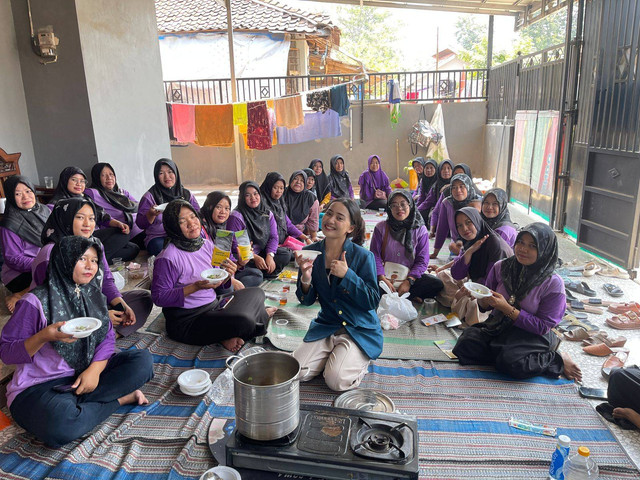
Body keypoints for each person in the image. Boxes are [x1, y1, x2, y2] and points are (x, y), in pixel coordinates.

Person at [0, 236, 154, 447]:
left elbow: (107, 339)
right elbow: (7, 353)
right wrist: (44, 336)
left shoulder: (94, 296)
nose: (90, 266)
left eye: (95, 260)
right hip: (40, 386)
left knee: (142, 361)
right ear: (64, 259)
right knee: (60, 425)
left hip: (85, 374)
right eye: (82, 258)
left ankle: (79, 405)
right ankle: (119, 399)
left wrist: (95, 371)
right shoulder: (35, 301)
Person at [452, 223, 582, 381]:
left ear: (544, 249)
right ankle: (505, 353)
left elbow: (542, 326)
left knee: (511, 362)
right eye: (520, 242)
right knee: (466, 343)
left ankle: (555, 358)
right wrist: (482, 299)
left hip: (532, 334)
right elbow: (485, 306)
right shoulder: (502, 267)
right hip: (499, 325)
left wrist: (506, 308)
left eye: (532, 245)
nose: (523, 249)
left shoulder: (553, 283)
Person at [151, 200, 274, 352]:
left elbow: (221, 284)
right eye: (182, 221)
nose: (192, 224)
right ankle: (256, 320)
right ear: (174, 226)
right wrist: (195, 287)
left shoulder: (205, 244)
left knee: (256, 293)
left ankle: (228, 332)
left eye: (193, 217)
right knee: (245, 321)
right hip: (187, 320)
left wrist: (228, 275)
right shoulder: (167, 257)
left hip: (213, 306)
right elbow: (159, 298)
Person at [293, 198, 382, 392]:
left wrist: (348, 275)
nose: (330, 220)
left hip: (358, 327)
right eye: (330, 213)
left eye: (339, 217)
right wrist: (306, 278)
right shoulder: (310, 253)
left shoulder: (363, 256)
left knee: (336, 381)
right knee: (297, 372)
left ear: (351, 228)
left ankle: (356, 358)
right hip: (328, 325)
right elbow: (305, 301)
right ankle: (336, 355)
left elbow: (372, 301)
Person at [33, 198, 152, 337]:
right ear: (65, 218)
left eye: (91, 218)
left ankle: (105, 333)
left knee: (143, 299)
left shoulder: (94, 244)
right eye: (80, 217)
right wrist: (100, 316)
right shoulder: (50, 254)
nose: (87, 224)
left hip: (94, 302)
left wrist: (121, 305)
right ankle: (101, 334)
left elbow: (106, 279)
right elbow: (54, 304)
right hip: (61, 315)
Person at [436, 207, 513, 325]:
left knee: (472, 304)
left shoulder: (495, 246)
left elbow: (493, 283)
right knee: (442, 276)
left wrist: (471, 291)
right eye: (459, 225)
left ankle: (463, 306)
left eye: (468, 223)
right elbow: (456, 274)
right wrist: (469, 252)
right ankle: (460, 303)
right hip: (473, 282)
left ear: (476, 220)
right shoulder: (470, 241)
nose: (464, 229)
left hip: (493, 293)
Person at [49, 166, 134, 264]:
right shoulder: (56, 204)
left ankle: (95, 258)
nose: (79, 184)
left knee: (132, 247)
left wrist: (118, 224)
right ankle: (94, 260)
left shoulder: (86, 199)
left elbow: (102, 215)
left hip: (93, 235)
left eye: (82, 181)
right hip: (76, 241)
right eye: (74, 180)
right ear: (64, 181)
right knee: (122, 241)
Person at [370, 191, 443, 302]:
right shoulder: (381, 228)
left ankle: (399, 295)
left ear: (410, 205)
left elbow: (422, 260)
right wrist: (381, 278)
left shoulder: (420, 230)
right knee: (366, 281)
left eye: (403, 204)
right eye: (394, 205)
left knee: (436, 284)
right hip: (385, 276)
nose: (399, 208)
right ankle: (407, 297)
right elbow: (374, 255)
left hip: (408, 275)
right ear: (389, 208)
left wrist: (409, 281)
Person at [0, 176, 50, 312]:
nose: (25, 197)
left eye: (28, 191)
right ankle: (19, 294)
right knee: (55, 274)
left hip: (45, 263)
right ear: (10, 196)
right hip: (19, 275)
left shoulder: (44, 211)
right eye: (18, 194)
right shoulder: (10, 223)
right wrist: (41, 263)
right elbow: (12, 259)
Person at [227, 181, 292, 279]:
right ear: (242, 198)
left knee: (286, 254)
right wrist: (255, 257)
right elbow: (236, 245)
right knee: (256, 275)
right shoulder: (237, 216)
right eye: (247, 195)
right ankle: (258, 272)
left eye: (255, 193)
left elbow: (274, 237)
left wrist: (269, 255)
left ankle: (262, 270)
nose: (253, 198)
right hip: (242, 256)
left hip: (261, 251)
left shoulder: (267, 213)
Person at [136, 158, 200, 257]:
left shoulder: (186, 194)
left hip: (184, 234)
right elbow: (140, 223)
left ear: (176, 173)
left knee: (201, 241)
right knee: (164, 250)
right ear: (156, 176)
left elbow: (198, 213)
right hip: (160, 237)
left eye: (170, 172)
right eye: (161, 173)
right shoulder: (150, 196)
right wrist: (151, 214)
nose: (167, 177)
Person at [200, 191, 262, 289]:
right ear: (209, 207)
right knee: (228, 286)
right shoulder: (201, 230)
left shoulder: (222, 230)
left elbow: (228, 260)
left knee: (257, 274)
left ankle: (234, 289)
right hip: (208, 277)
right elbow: (203, 264)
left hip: (225, 273)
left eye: (227, 208)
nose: (223, 212)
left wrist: (240, 263)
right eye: (218, 207)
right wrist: (231, 279)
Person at [85, 162, 144, 248]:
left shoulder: (122, 192)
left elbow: (138, 206)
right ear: (97, 177)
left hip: (140, 227)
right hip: (123, 233)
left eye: (111, 174)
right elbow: (96, 214)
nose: (109, 178)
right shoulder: (92, 193)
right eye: (103, 175)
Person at [431, 173, 481, 258]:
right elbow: (442, 228)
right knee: (452, 248)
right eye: (454, 187)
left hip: (477, 246)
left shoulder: (478, 202)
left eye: (462, 186)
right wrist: (435, 253)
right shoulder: (447, 203)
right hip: (457, 247)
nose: (458, 190)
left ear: (468, 187)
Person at [259, 172, 312, 247]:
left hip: (280, 240)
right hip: (268, 245)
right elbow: (263, 233)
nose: (279, 191)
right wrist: (273, 248)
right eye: (275, 188)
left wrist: (306, 238)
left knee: (300, 244)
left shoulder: (279, 203)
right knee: (286, 255)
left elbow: (288, 224)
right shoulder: (262, 205)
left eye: (281, 188)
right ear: (269, 187)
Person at [284, 170, 319, 241]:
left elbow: (313, 220)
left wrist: (314, 236)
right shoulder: (282, 194)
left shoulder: (310, 197)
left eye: (302, 180)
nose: (298, 182)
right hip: (281, 233)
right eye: (295, 179)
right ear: (291, 180)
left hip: (300, 235)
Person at [421, 159, 453, 234]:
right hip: (439, 210)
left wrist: (450, 185)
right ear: (439, 171)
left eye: (448, 168)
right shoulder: (436, 185)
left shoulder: (457, 185)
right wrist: (415, 210)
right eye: (443, 168)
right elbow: (428, 202)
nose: (446, 171)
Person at [414, 158, 438, 222]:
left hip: (435, 206)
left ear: (436, 169)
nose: (429, 170)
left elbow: (429, 201)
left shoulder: (437, 182)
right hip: (427, 205)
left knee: (420, 215)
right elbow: (421, 197)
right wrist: (415, 208)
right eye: (426, 168)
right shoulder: (423, 180)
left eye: (431, 168)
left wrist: (417, 210)